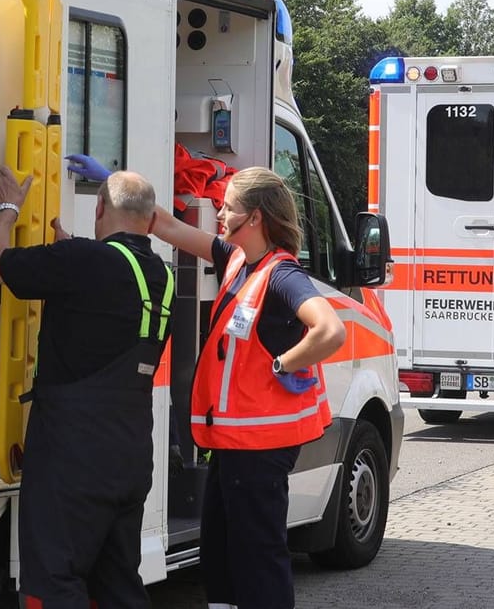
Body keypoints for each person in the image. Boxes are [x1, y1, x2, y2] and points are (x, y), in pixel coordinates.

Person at [0, 162, 174, 609]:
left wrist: (6, 209)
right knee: (117, 584)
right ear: (150, 219)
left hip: (72, 459)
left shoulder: (82, 261)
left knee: (55, 583)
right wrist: (71, 255)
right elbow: (106, 299)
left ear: (99, 206)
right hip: (131, 455)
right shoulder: (161, 276)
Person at [148, 166, 346, 609]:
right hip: (235, 442)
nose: (220, 212)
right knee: (220, 553)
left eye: (229, 206)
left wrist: (283, 362)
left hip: (260, 446)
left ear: (254, 217)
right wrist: (115, 181)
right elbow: (168, 226)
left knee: (257, 558)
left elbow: (330, 331)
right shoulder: (238, 259)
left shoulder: (281, 275)